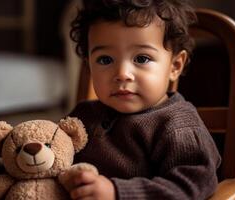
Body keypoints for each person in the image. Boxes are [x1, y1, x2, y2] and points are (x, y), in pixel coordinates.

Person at [64, 0, 221, 199]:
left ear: (175, 66)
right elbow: (53, 150)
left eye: (141, 58)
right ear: (89, 65)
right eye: (105, 60)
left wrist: (117, 192)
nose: (122, 74)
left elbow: (194, 184)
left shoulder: (177, 125)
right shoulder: (84, 115)